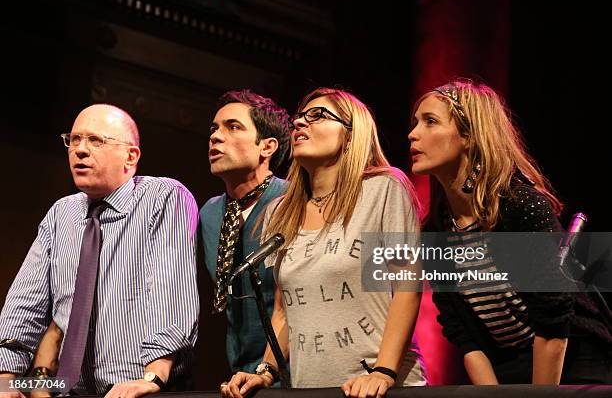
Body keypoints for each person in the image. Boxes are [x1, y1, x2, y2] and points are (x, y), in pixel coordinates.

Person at [221, 87, 427, 398]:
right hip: (311, 389)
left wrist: (383, 372)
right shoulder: (281, 210)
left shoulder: (383, 189)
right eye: (300, 117)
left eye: (317, 116)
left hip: (378, 387)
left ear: (350, 134)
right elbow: (284, 310)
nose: (300, 123)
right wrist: (265, 371)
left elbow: (407, 287)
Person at [408, 79, 612, 384]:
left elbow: (553, 319)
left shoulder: (519, 206)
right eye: (416, 122)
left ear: (469, 136)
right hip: (507, 366)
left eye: (430, 122)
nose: (413, 133)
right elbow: (463, 333)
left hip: (572, 361)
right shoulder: (435, 231)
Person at [0, 104, 199, 397]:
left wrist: (153, 377)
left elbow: (169, 292)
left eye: (95, 140)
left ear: (130, 156)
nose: (80, 150)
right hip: (67, 390)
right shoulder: (61, 214)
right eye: (74, 139)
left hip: (142, 388)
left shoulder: (162, 197)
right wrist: (6, 377)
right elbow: (24, 304)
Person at [200, 90, 290, 375]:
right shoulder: (209, 214)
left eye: (233, 127)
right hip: (239, 374)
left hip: (292, 374)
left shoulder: (292, 201)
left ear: (267, 146)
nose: (215, 136)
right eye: (214, 128)